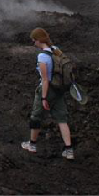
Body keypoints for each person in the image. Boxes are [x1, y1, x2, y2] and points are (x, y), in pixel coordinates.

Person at [21, 27, 74, 160]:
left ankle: (32, 145)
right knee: (62, 119)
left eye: (34, 40)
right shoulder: (56, 49)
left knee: (36, 117)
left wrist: (44, 97)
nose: (33, 43)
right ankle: (69, 150)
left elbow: (45, 79)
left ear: (39, 40)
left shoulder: (42, 56)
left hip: (47, 90)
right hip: (59, 89)